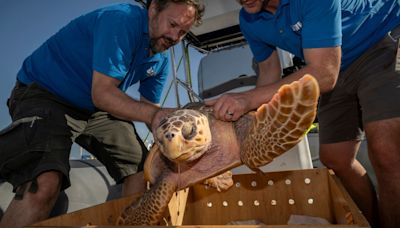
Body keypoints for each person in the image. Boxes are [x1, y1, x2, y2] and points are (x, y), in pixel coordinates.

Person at [0, 0, 204, 227]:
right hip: (46, 93)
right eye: (172, 24)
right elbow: (104, 93)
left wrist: (179, 154)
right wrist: (156, 116)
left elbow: (150, 113)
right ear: (154, 8)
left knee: (142, 170)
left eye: (183, 32)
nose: (175, 37)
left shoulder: (161, 60)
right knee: (45, 183)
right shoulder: (122, 20)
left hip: (94, 108)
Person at [205, 0, 400, 227]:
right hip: (332, 67)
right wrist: (244, 124)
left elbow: (324, 74)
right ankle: (371, 221)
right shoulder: (249, 20)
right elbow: (269, 71)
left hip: (380, 41)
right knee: (335, 158)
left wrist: (246, 98)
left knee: (388, 152)